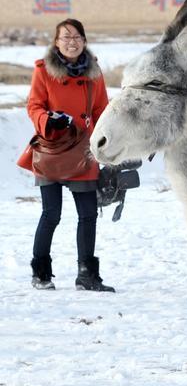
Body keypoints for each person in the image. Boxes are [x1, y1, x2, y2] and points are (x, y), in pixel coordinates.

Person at [17, 18, 114, 292]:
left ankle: (87, 275)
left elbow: (101, 110)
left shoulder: (94, 72)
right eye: (66, 37)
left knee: (88, 215)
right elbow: (34, 105)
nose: (72, 42)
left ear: (84, 41)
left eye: (77, 37)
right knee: (51, 214)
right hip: (52, 149)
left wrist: (106, 142)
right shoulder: (43, 70)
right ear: (56, 42)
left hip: (83, 150)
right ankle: (41, 273)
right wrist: (48, 121)